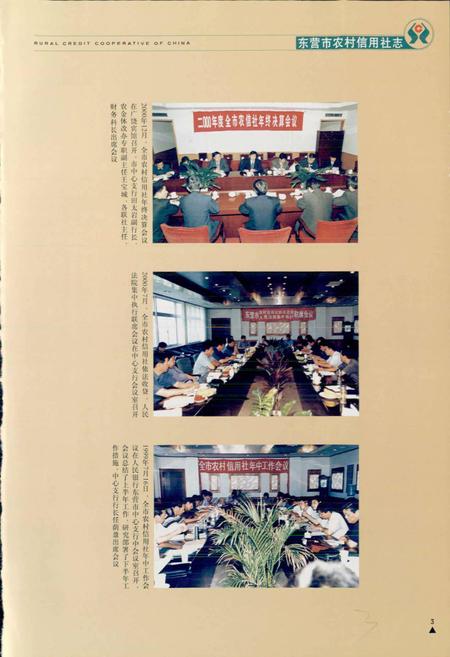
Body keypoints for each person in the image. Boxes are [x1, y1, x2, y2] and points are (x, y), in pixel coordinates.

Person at [179, 175, 223, 242]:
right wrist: (213, 199)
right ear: (200, 186)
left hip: (189, 233)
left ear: (187, 188)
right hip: (205, 234)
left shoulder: (183, 200)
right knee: (217, 222)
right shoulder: (207, 199)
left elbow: (182, 210)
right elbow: (216, 210)